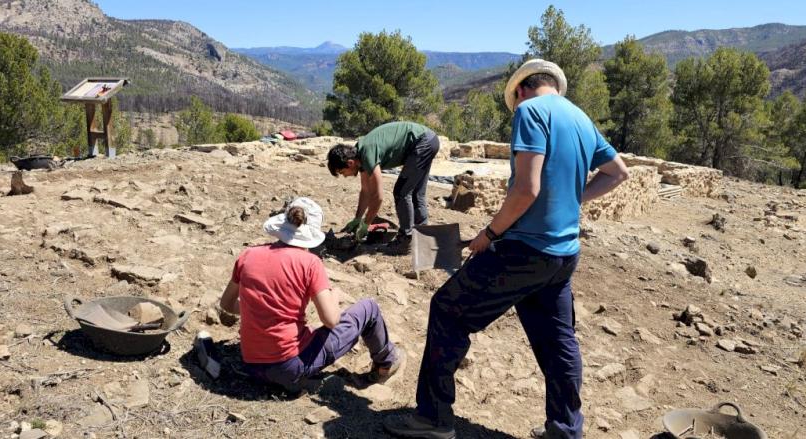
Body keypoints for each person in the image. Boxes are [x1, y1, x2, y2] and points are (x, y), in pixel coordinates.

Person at [383, 59, 630, 439]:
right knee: (558, 342)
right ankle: (565, 430)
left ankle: (434, 419)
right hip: (563, 253)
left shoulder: (530, 112)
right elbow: (618, 172)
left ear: (519, 91)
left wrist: (490, 234)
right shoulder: (580, 118)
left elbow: (526, 190)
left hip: (523, 250)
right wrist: (573, 199)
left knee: (447, 311)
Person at [218, 197, 404, 391]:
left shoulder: (249, 255)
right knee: (369, 308)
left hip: (252, 365)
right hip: (290, 365)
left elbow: (226, 304)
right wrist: (335, 295)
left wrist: (258, 310)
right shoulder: (310, 263)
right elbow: (331, 320)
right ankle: (386, 364)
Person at [327, 121, 440, 254]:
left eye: (342, 172)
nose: (345, 176)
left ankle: (405, 239)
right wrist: (358, 218)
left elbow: (378, 197)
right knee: (416, 193)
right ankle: (422, 234)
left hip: (422, 142)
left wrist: (366, 224)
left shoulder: (367, 154)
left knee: (401, 191)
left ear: (350, 163)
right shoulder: (360, 156)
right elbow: (365, 191)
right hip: (429, 139)